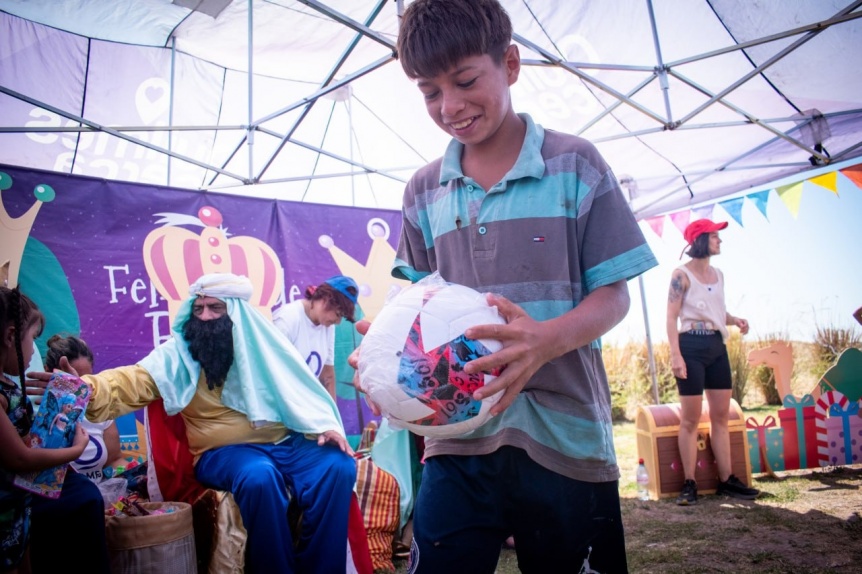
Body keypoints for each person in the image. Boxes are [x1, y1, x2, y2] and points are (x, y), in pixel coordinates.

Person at [352, 1, 658, 572]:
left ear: (511, 65)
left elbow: (614, 295)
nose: (451, 106)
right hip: (455, 437)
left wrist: (545, 339)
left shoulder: (576, 165)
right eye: (429, 91)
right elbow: (410, 304)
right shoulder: (423, 191)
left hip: (565, 438)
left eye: (466, 81)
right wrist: (380, 354)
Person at [32, 272, 357, 574]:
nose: (203, 316)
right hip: (223, 451)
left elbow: (303, 391)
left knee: (338, 466)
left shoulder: (263, 345)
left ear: (236, 315)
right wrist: (87, 388)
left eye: (214, 308)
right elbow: (133, 381)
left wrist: (323, 425)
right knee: (259, 476)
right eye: (198, 308)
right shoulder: (179, 353)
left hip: (283, 443)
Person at [666, 218, 759, 506]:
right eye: (715, 236)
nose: (720, 241)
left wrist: (734, 319)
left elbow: (716, 310)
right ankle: (689, 484)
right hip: (690, 346)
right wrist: (675, 354)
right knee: (691, 419)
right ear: (701, 240)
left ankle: (727, 480)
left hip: (717, 346)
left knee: (721, 417)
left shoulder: (719, 274)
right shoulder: (680, 275)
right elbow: (671, 316)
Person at [0, 286, 89, 573]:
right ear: (11, 337)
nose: (34, 351)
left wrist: (67, 396)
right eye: (32, 340)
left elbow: (29, 440)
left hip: (18, 513)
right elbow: (21, 459)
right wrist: (75, 450)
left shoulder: (9, 386)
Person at [42, 334, 126, 481]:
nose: (79, 390)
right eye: (72, 380)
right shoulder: (38, 414)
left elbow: (115, 461)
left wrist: (125, 476)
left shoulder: (99, 409)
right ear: (48, 371)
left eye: (86, 380)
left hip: (98, 499)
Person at [273, 275, 358, 402]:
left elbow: (327, 376)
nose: (338, 321)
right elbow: (272, 371)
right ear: (326, 300)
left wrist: (333, 417)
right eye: (338, 314)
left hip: (303, 405)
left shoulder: (328, 326)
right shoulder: (287, 319)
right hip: (279, 406)